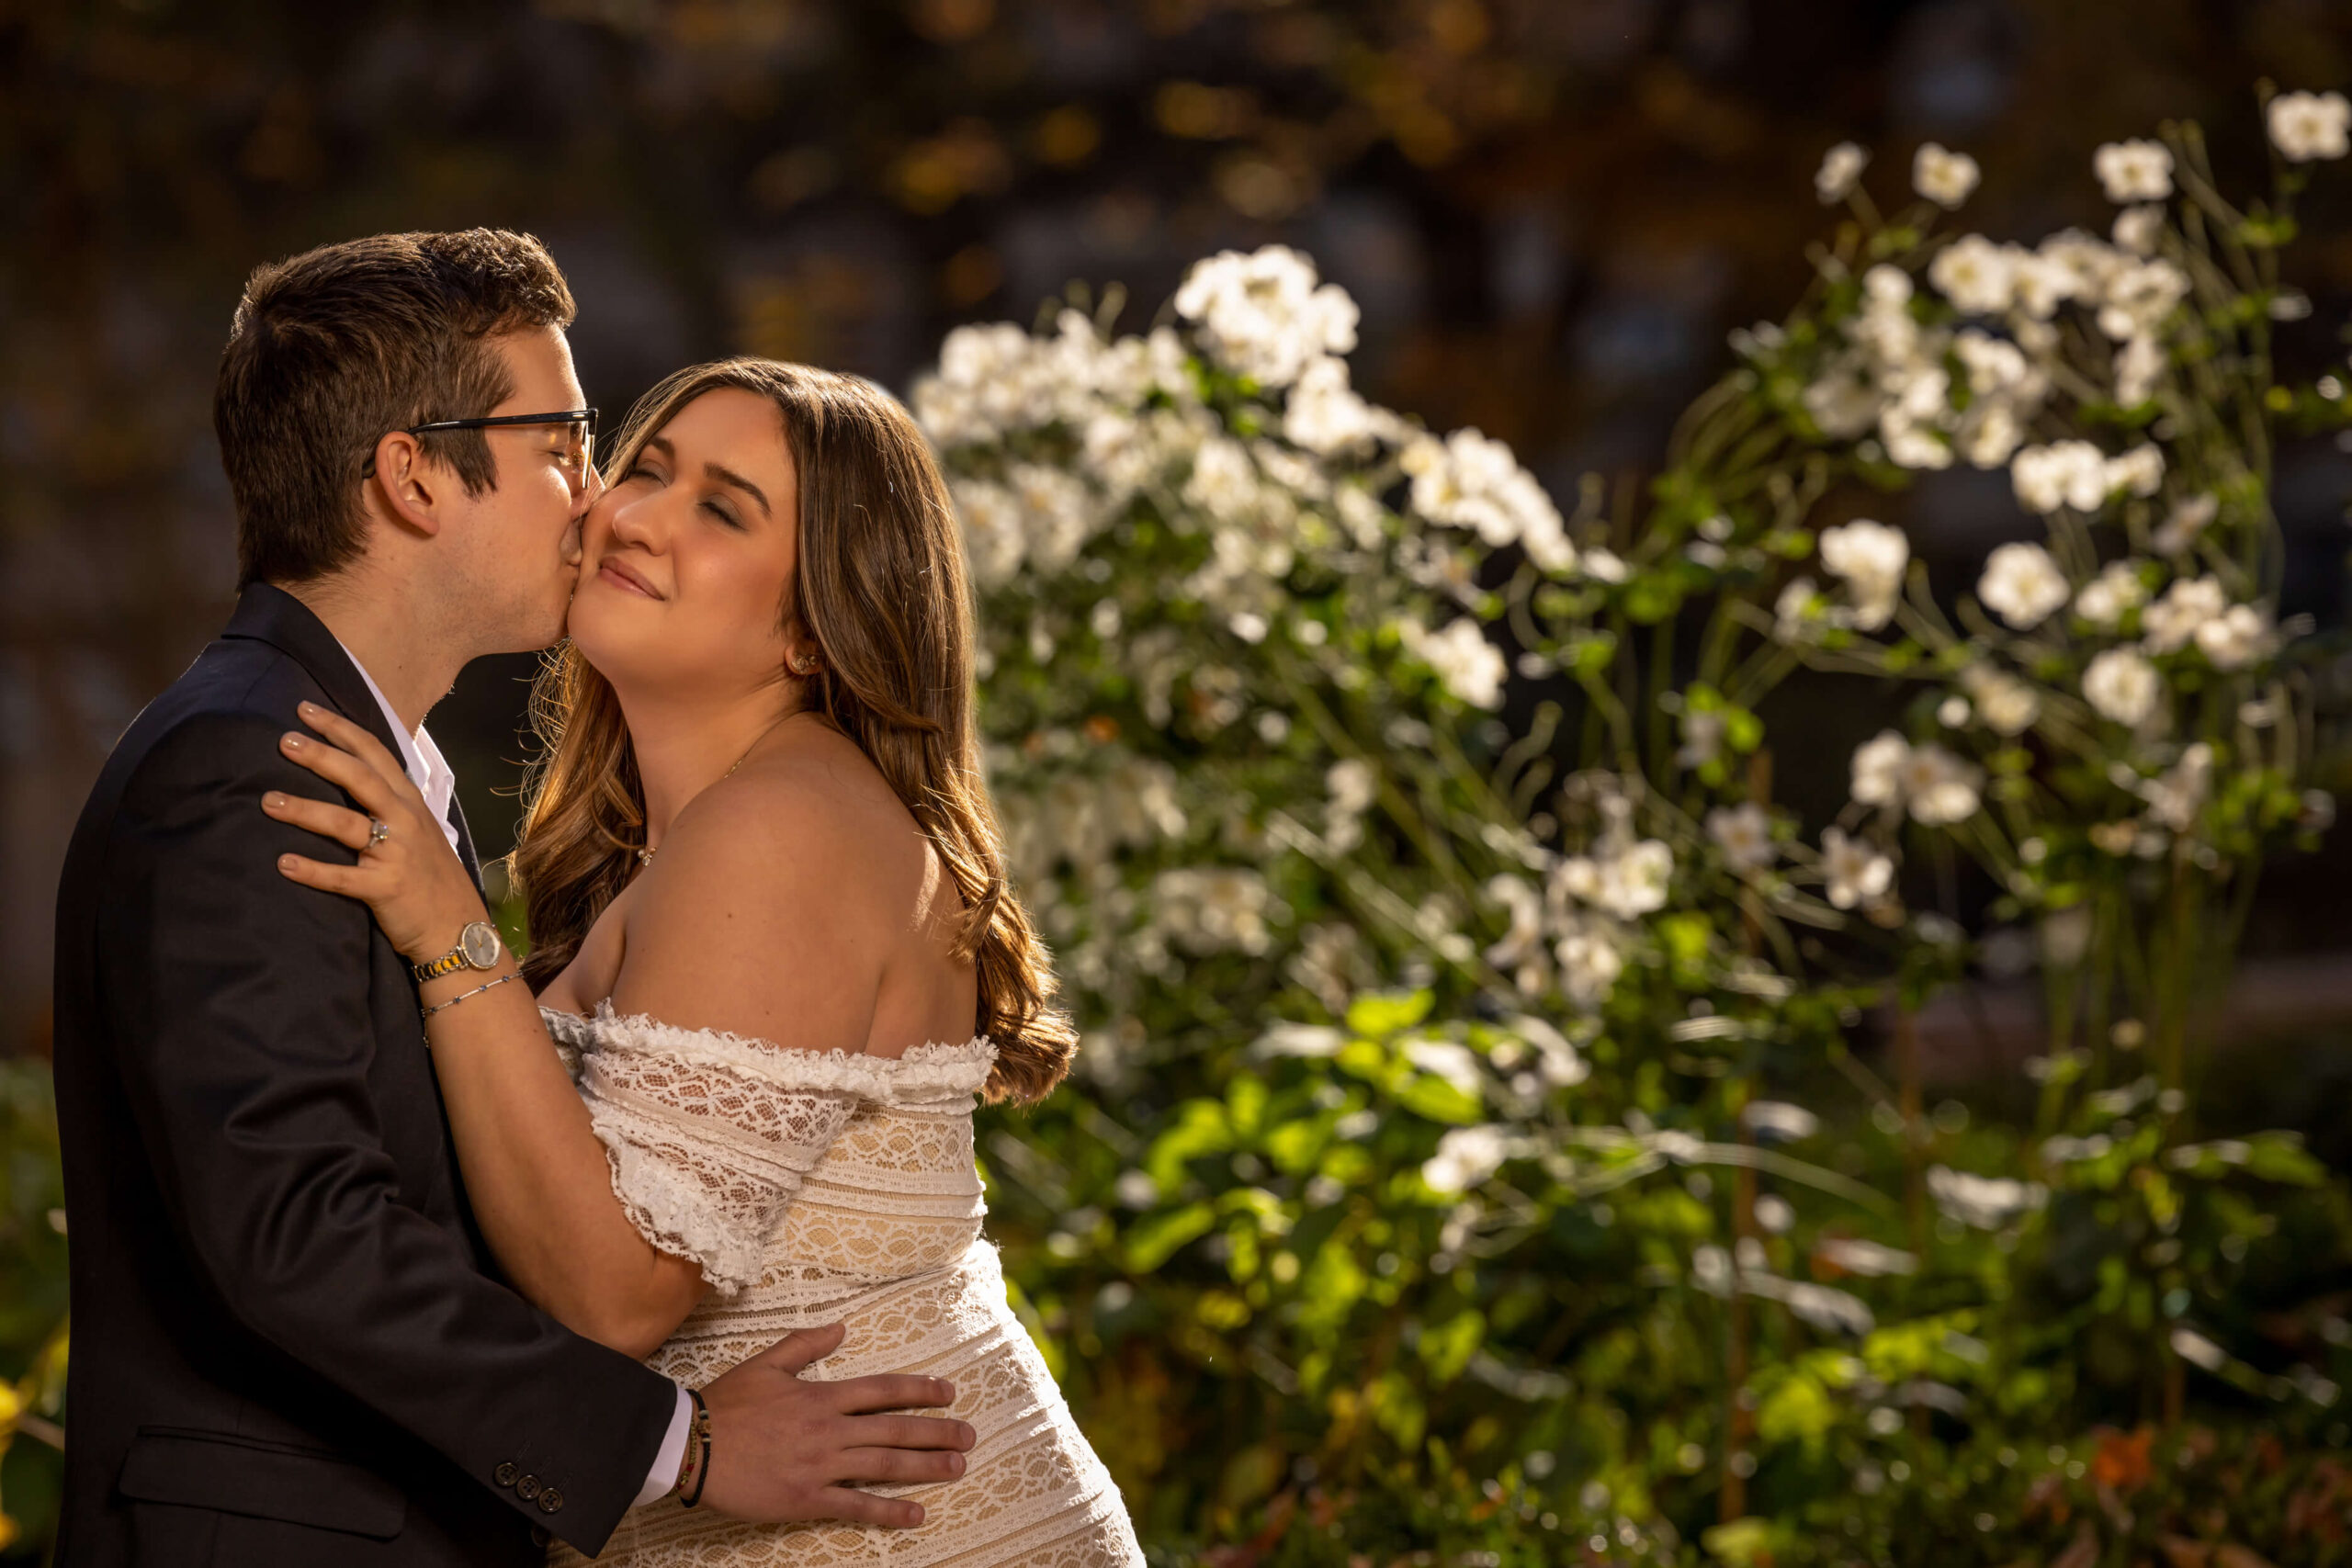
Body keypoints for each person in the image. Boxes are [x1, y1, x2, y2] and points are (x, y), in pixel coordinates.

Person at [50, 232, 977, 1568]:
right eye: (567, 444)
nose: (595, 498)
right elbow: (296, 1229)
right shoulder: (251, 762)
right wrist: (688, 1446)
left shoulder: (359, 758)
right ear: (415, 476)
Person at [258, 355, 1146, 1566]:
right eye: (649, 469)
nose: (636, 517)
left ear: (813, 628)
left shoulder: (784, 828)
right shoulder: (692, 836)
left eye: (722, 510)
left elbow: (616, 1299)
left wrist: (448, 933)